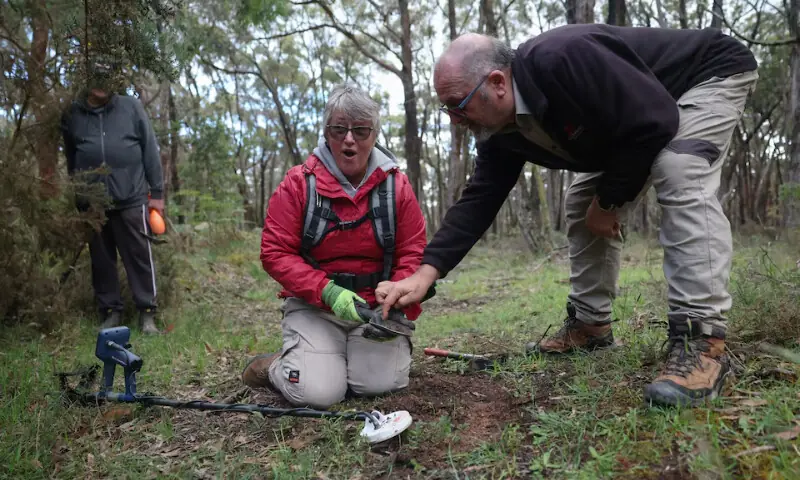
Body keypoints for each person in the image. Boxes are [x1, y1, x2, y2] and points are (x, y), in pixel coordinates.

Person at [376, 24, 758, 408]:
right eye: (447, 109)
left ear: (497, 82)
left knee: (680, 168)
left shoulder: (563, 60)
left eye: (459, 104)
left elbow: (653, 121)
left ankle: (701, 342)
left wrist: (608, 202)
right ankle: (591, 326)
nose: (455, 120)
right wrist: (426, 272)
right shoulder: (499, 131)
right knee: (579, 200)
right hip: (641, 114)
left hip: (705, 74)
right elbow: (480, 198)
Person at [241, 83, 428, 409]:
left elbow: (413, 249)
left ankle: (334, 357)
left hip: (373, 311)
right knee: (318, 394)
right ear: (326, 133)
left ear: (374, 134)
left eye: (360, 130)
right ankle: (273, 367)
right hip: (314, 308)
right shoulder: (298, 184)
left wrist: (398, 291)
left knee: (381, 385)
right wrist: (326, 292)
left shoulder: (397, 186)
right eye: (339, 129)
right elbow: (274, 252)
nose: (349, 139)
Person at [61, 56, 164, 334]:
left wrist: (157, 193)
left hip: (131, 198)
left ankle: (147, 313)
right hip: (93, 203)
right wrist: (78, 193)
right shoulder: (73, 114)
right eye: (96, 78)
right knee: (101, 259)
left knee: (139, 256)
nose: (101, 85)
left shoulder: (130, 107)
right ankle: (110, 312)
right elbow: (71, 156)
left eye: (107, 79)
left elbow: (150, 150)